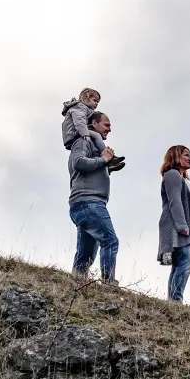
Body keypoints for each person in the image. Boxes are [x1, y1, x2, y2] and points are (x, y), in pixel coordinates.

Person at [69, 111, 119, 282]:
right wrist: (104, 160)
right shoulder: (83, 141)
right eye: (107, 124)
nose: (109, 129)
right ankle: (109, 283)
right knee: (110, 240)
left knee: (86, 253)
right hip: (88, 202)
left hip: (86, 203)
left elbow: (89, 168)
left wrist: (106, 167)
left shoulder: (95, 147)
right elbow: (79, 163)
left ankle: (76, 286)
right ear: (94, 124)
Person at [157, 145, 190, 302]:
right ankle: (175, 299)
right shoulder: (172, 174)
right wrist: (182, 225)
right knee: (187, 260)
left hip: (185, 228)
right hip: (176, 227)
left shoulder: (183, 179)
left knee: (180, 263)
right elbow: (175, 201)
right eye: (186, 155)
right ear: (176, 156)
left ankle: (173, 300)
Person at [62, 88, 124, 171]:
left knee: (95, 139)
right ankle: (109, 157)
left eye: (98, 102)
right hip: (74, 133)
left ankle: (109, 164)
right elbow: (79, 121)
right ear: (86, 98)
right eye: (95, 100)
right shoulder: (80, 107)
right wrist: (85, 134)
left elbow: (90, 117)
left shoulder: (85, 109)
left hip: (77, 131)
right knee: (96, 135)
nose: (96, 103)